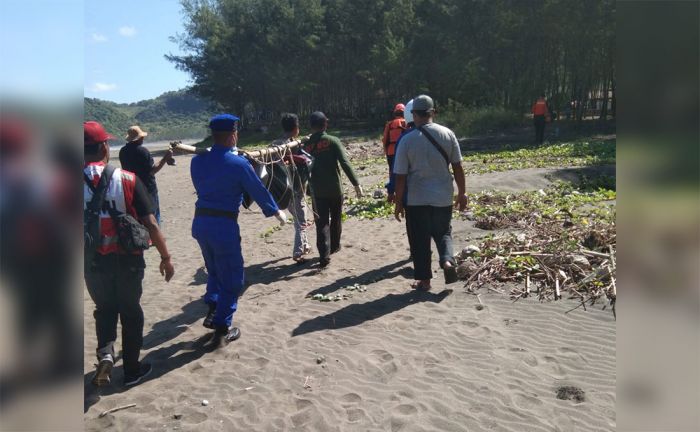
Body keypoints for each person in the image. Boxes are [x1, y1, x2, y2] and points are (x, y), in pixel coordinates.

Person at [83, 121, 175, 387]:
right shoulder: (126, 179)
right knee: (131, 312)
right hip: (128, 259)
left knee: (104, 309)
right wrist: (166, 257)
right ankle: (132, 369)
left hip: (91, 261)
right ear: (104, 147)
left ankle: (106, 354)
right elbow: (151, 224)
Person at [191, 114, 288, 345]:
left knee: (214, 269)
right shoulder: (239, 164)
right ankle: (222, 328)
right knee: (233, 277)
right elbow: (257, 189)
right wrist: (275, 211)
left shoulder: (197, 161)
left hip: (200, 223)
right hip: (223, 225)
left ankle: (213, 307)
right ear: (233, 135)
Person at [393, 95, 468, 291]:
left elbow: (400, 176)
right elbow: (458, 166)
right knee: (443, 233)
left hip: (417, 200)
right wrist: (462, 193)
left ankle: (424, 281)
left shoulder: (407, 140)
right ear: (433, 112)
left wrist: (398, 202)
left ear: (414, 114)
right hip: (443, 197)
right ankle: (447, 262)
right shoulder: (448, 134)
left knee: (420, 239)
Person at [303, 111, 363, 268]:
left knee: (321, 223)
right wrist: (356, 183)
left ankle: (324, 255)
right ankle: (335, 246)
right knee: (336, 219)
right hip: (335, 190)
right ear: (325, 124)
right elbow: (345, 163)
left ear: (311, 126)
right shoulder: (333, 141)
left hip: (317, 192)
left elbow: (302, 170)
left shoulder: (305, 146)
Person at [271, 113, 312, 263]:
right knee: (301, 220)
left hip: (282, 191)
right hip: (296, 189)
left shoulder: (274, 145)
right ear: (295, 128)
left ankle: (305, 245)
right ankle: (298, 252)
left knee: (299, 218)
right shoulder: (294, 145)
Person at [119, 125, 174, 224]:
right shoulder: (142, 151)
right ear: (139, 138)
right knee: (153, 218)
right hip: (148, 189)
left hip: (131, 189)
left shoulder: (122, 152)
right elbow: (152, 171)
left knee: (139, 219)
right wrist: (165, 158)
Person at [382, 103, 407, 174]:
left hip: (391, 152)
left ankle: (392, 184)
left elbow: (385, 140)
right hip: (403, 151)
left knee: (392, 171)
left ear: (395, 113)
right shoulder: (406, 123)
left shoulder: (389, 124)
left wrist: (385, 152)